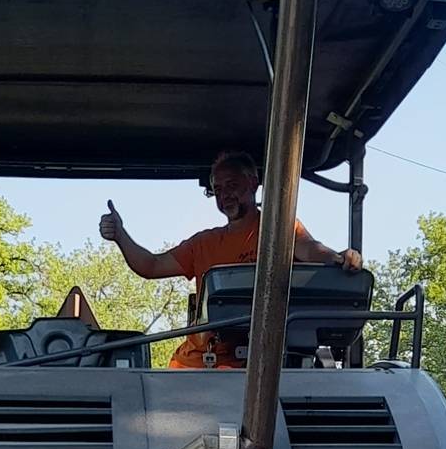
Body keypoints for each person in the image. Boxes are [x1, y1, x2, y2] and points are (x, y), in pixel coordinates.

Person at [97, 150, 361, 369]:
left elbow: (312, 250)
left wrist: (339, 258)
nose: (225, 195)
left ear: (253, 183)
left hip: (253, 366)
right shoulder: (203, 243)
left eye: (232, 185)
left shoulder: (278, 230)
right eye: (218, 189)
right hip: (195, 365)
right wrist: (120, 235)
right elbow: (150, 266)